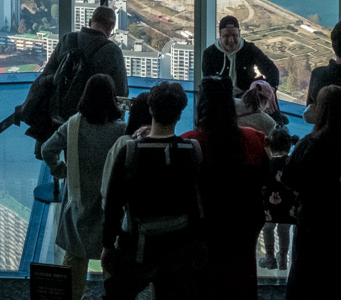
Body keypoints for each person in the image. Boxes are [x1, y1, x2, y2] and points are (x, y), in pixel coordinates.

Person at [100, 81, 205, 300]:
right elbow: (198, 202)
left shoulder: (130, 152)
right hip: (179, 245)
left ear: (150, 110)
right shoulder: (192, 151)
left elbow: (113, 204)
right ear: (179, 115)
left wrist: (108, 245)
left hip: (137, 247)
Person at [182, 76, 270, 299]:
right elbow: (265, 179)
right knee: (240, 281)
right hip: (243, 228)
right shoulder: (254, 140)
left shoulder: (189, 143)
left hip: (204, 231)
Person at [41, 74, 128, 300]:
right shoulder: (121, 131)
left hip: (77, 205)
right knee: (113, 264)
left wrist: (59, 169)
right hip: (108, 208)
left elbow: (47, 150)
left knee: (73, 264)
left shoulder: (73, 125)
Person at [281, 85, 341, 300]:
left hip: (311, 222)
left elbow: (289, 179)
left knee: (306, 278)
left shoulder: (309, 144)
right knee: (340, 281)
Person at [20, 2, 129, 155]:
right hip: (89, 126)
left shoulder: (67, 40)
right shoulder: (112, 52)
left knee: (57, 161)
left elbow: (46, 76)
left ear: (90, 22)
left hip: (56, 119)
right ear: (111, 27)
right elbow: (120, 95)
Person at [201, 15, 280, 94]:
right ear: (220, 35)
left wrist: (269, 90)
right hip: (219, 100)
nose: (231, 40)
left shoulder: (249, 49)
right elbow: (207, 83)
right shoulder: (210, 53)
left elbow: (271, 70)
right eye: (226, 36)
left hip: (246, 99)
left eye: (234, 35)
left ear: (239, 33)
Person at [260, 125, 298, 275]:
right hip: (288, 206)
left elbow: (262, 183)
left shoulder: (267, 163)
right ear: (289, 146)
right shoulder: (292, 162)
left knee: (268, 229)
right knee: (284, 230)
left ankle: (269, 258)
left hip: (269, 205)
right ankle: (283, 260)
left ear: (270, 145)